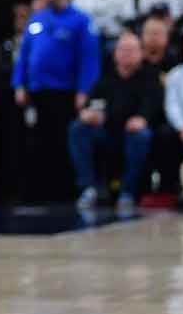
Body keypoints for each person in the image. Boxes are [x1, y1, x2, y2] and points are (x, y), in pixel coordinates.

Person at [12, 0, 101, 202]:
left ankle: (63, 192)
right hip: (37, 92)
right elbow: (25, 54)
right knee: (36, 144)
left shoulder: (81, 20)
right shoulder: (38, 19)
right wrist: (19, 84)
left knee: (63, 143)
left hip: (64, 92)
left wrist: (84, 90)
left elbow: (89, 59)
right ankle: (38, 191)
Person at [69, 32, 162, 212]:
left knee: (140, 135)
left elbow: (151, 108)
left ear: (141, 53)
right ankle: (89, 188)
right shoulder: (105, 78)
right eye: (122, 49)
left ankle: (127, 192)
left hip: (132, 135)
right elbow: (91, 106)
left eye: (131, 50)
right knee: (78, 128)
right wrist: (88, 113)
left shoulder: (149, 77)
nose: (126, 53)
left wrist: (141, 119)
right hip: (108, 133)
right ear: (115, 53)